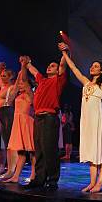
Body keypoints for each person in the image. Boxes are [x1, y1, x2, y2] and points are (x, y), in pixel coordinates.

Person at [60, 42, 102, 192]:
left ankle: (100, 182)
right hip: (87, 121)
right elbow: (73, 68)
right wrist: (65, 54)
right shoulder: (86, 82)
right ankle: (91, 182)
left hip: (97, 120)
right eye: (92, 65)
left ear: (101, 70)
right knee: (91, 152)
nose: (92, 67)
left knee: (100, 151)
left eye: (96, 66)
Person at [22, 50, 68, 190]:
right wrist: (27, 63)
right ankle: (39, 179)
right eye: (48, 65)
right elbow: (33, 70)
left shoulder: (58, 80)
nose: (49, 67)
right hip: (38, 117)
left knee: (50, 150)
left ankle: (52, 180)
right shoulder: (42, 80)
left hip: (49, 117)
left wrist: (65, 51)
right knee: (39, 150)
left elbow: (63, 63)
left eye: (53, 66)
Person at [3, 58, 36, 183]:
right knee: (21, 152)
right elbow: (17, 84)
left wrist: (23, 66)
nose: (20, 84)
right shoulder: (18, 95)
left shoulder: (29, 94)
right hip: (18, 124)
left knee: (32, 151)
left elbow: (24, 79)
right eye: (20, 83)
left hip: (27, 123)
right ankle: (16, 176)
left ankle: (33, 175)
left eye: (23, 83)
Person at [0, 62, 16, 179]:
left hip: (8, 112)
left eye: (5, 76)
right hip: (2, 113)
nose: (2, 77)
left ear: (10, 77)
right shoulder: (3, 87)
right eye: (2, 76)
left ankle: (11, 169)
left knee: (9, 142)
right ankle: (9, 167)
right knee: (5, 141)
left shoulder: (12, 87)